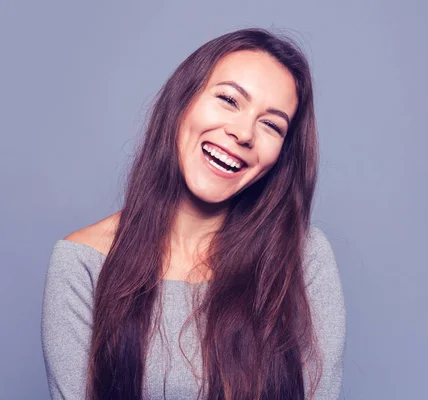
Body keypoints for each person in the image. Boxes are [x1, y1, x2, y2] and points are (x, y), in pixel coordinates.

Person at [41, 28, 346, 400]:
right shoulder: (81, 264)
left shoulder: (302, 256)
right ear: (182, 101)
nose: (243, 132)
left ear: (281, 155)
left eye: (271, 124)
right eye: (229, 100)